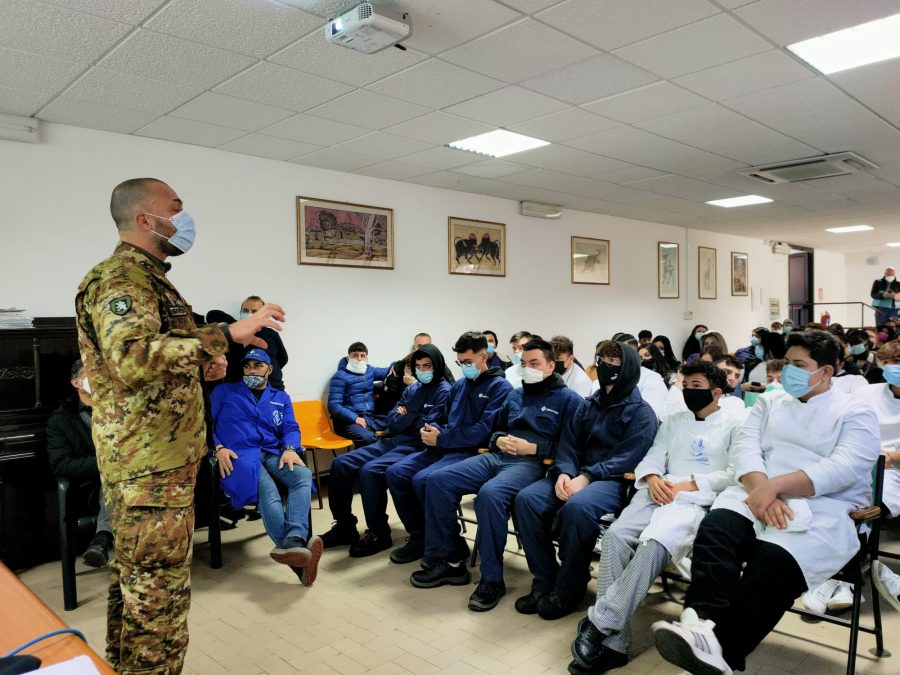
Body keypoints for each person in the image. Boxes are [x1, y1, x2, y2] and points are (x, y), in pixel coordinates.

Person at [75, 177, 285, 674]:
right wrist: (224, 334)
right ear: (147, 220)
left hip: (159, 461)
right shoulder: (121, 280)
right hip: (148, 466)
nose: (184, 219)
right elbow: (130, 358)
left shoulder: (150, 277)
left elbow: (158, 355)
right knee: (158, 600)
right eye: (176, 209)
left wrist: (207, 359)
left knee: (138, 587)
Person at [652, 330, 880, 675]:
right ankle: (701, 623)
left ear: (827, 371)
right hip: (756, 492)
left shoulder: (854, 410)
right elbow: (746, 447)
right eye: (787, 363)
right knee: (716, 529)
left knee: (772, 562)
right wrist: (761, 489)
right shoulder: (770, 402)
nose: (789, 371)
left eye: (799, 365)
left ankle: (720, 653)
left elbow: (846, 465)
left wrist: (774, 487)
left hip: (822, 505)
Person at [569, 361, 745, 674]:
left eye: (696, 387)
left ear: (716, 392)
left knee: (653, 545)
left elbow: (735, 473)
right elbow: (654, 455)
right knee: (615, 537)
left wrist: (688, 484)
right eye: (685, 385)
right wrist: (651, 478)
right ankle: (617, 641)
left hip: (694, 498)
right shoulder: (675, 420)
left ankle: (602, 627)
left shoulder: (735, 422)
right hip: (657, 489)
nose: (687, 392)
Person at [409, 339, 583, 609]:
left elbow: (573, 447)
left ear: (551, 365)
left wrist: (535, 447)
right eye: (524, 364)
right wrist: (499, 440)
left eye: (535, 363)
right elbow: (494, 429)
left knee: (489, 496)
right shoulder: (516, 394)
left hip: (531, 463)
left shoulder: (569, 400)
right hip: (498, 456)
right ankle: (450, 560)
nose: (528, 369)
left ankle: (491, 580)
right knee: (438, 480)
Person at [515, 340, 657, 620]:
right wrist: (565, 472)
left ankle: (569, 588)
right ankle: (544, 581)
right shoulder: (589, 405)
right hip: (575, 473)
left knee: (577, 508)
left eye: (613, 363)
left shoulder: (642, 413)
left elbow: (627, 457)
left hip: (612, 480)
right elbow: (568, 442)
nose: (604, 366)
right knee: (526, 500)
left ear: (627, 368)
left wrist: (588, 476)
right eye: (601, 360)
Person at [385, 331, 513, 564]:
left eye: (467, 362)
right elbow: (442, 416)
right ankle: (421, 537)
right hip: (445, 445)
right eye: (460, 362)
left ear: (483, 357)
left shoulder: (501, 387)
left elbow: (482, 431)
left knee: (423, 480)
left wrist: (442, 438)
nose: (464, 367)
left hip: (471, 451)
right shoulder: (460, 386)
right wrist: (430, 429)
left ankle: (449, 546)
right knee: (396, 473)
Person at [320, 344, 451, 555]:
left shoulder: (444, 391)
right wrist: (410, 416)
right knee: (340, 463)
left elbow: (424, 428)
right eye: (418, 367)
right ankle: (345, 527)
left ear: (438, 366)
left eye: (428, 366)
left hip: (416, 445)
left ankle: (379, 533)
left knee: (370, 471)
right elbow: (392, 422)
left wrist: (406, 414)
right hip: (394, 440)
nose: (423, 371)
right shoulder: (412, 389)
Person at [211, 349, 321, 585]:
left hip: (273, 452)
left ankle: (295, 539)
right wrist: (218, 448)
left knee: (301, 475)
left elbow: (291, 428)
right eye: (247, 366)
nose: (252, 370)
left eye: (258, 366)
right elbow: (204, 424)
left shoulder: (280, 397)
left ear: (269, 370)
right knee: (268, 491)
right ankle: (297, 550)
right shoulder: (224, 392)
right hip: (239, 456)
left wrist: (290, 449)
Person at [47, 360, 113, 567]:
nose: (99, 377)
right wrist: (104, 464)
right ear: (76, 382)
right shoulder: (61, 420)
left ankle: (104, 538)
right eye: (92, 373)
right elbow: (62, 464)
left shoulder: (120, 409)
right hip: (89, 488)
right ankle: (103, 536)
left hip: (129, 477)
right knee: (113, 479)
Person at [865, 341, 900, 613]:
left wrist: (891, 458)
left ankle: (854, 569)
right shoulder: (870, 394)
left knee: (871, 502)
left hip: (894, 468)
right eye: (890, 365)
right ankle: (857, 567)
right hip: (865, 460)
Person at [328, 342, 392, 446]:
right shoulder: (339, 376)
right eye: (355, 355)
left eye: (362, 356)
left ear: (366, 358)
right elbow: (333, 406)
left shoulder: (369, 370)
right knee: (368, 438)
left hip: (368, 417)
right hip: (346, 421)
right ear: (348, 358)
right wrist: (355, 418)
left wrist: (398, 365)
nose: (359, 359)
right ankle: (363, 461)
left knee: (397, 427)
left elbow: (389, 370)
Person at [592, 334, 668, 420]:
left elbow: (649, 417)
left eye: (615, 357)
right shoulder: (600, 381)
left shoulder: (652, 379)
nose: (607, 364)